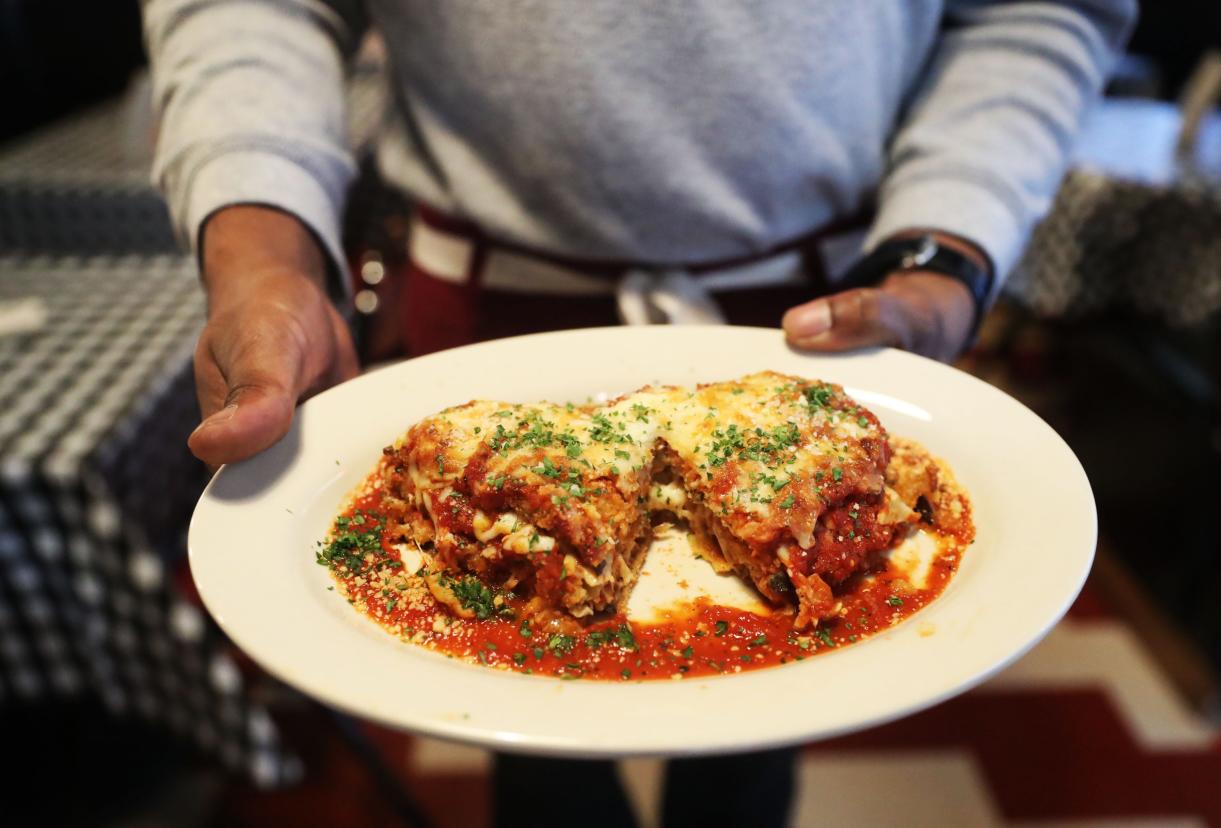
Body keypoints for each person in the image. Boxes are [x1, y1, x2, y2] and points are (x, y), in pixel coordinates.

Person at [144, 1, 1134, 824]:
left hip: (816, 327)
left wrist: (947, 250)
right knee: (529, 746)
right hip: (480, 322)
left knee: (758, 745)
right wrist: (264, 257)